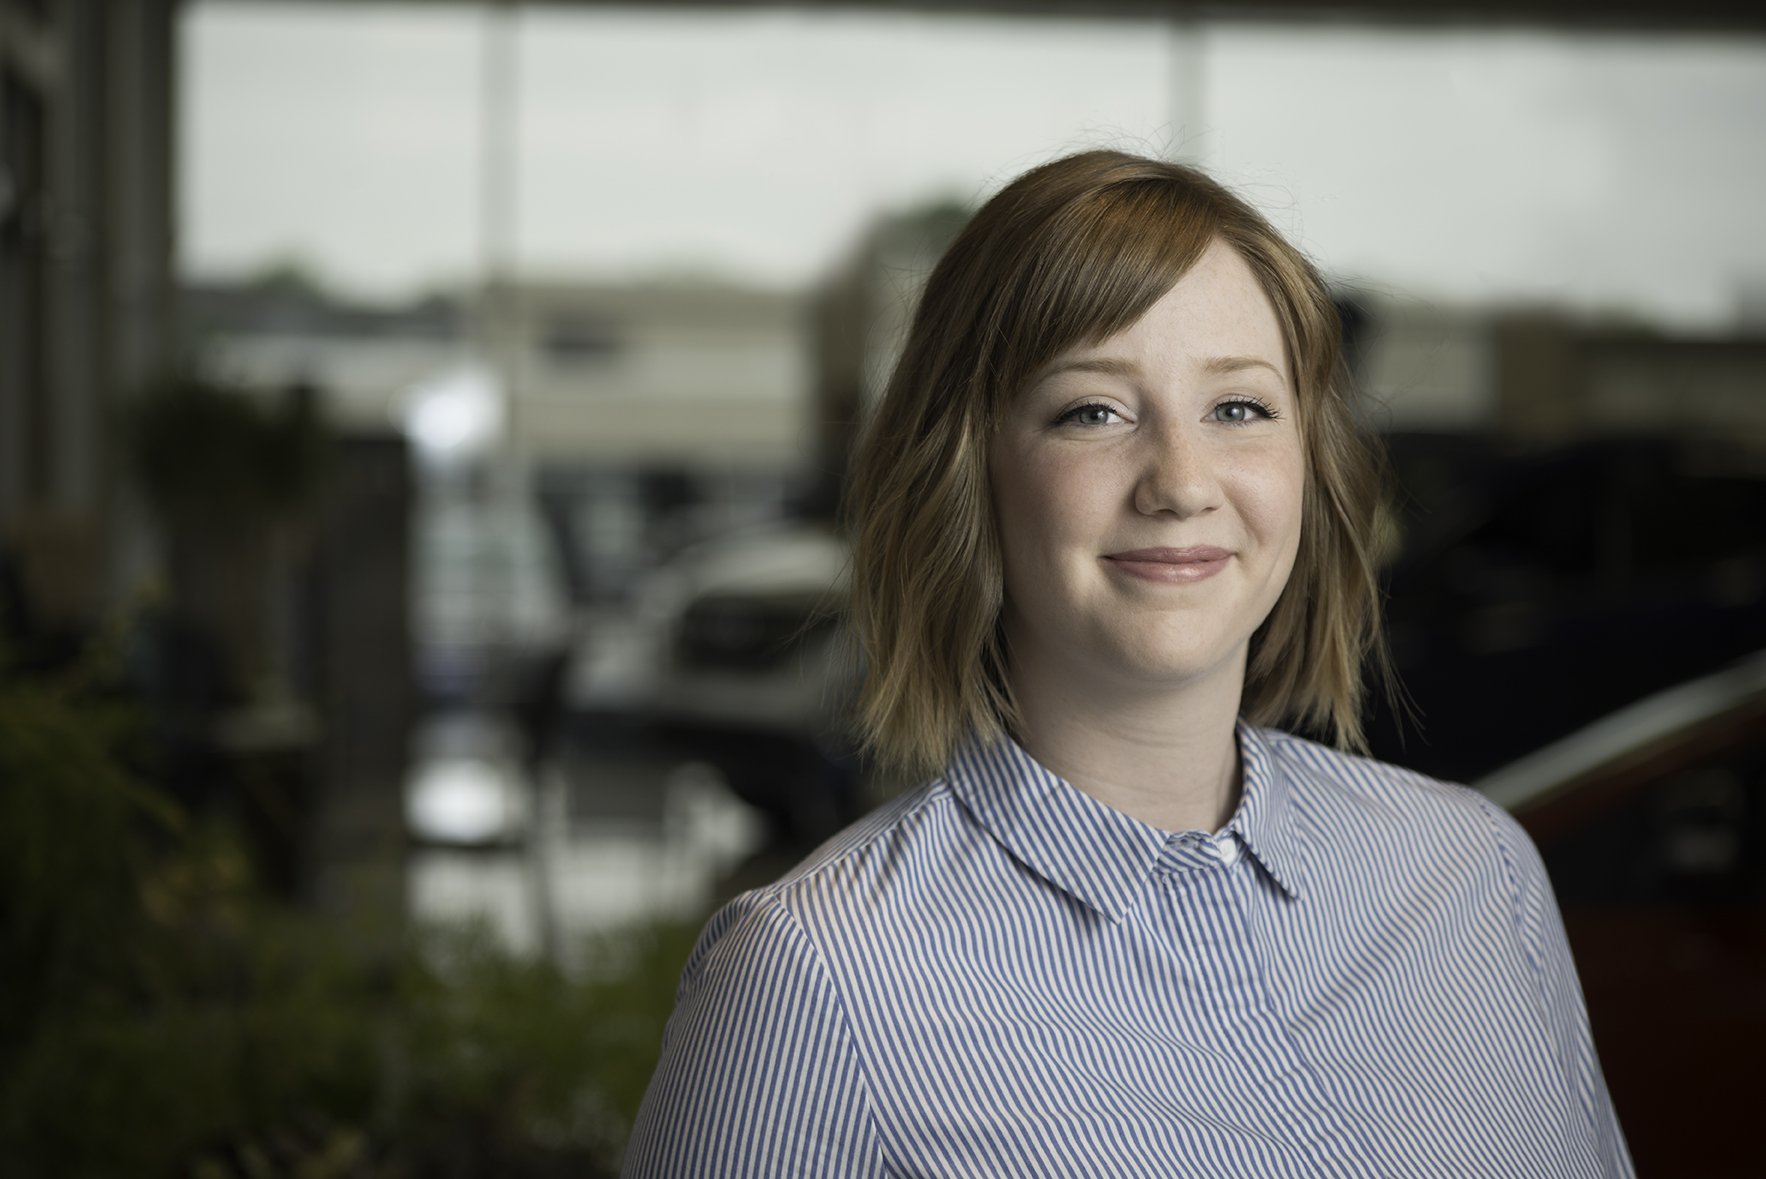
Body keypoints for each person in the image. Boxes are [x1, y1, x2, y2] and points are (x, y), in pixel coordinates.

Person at [621, 150, 1634, 1178]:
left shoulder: (1473, 873)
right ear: (963, 474)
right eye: (1091, 411)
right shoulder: (813, 981)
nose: (1181, 483)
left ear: (1309, 466)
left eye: (1237, 408)